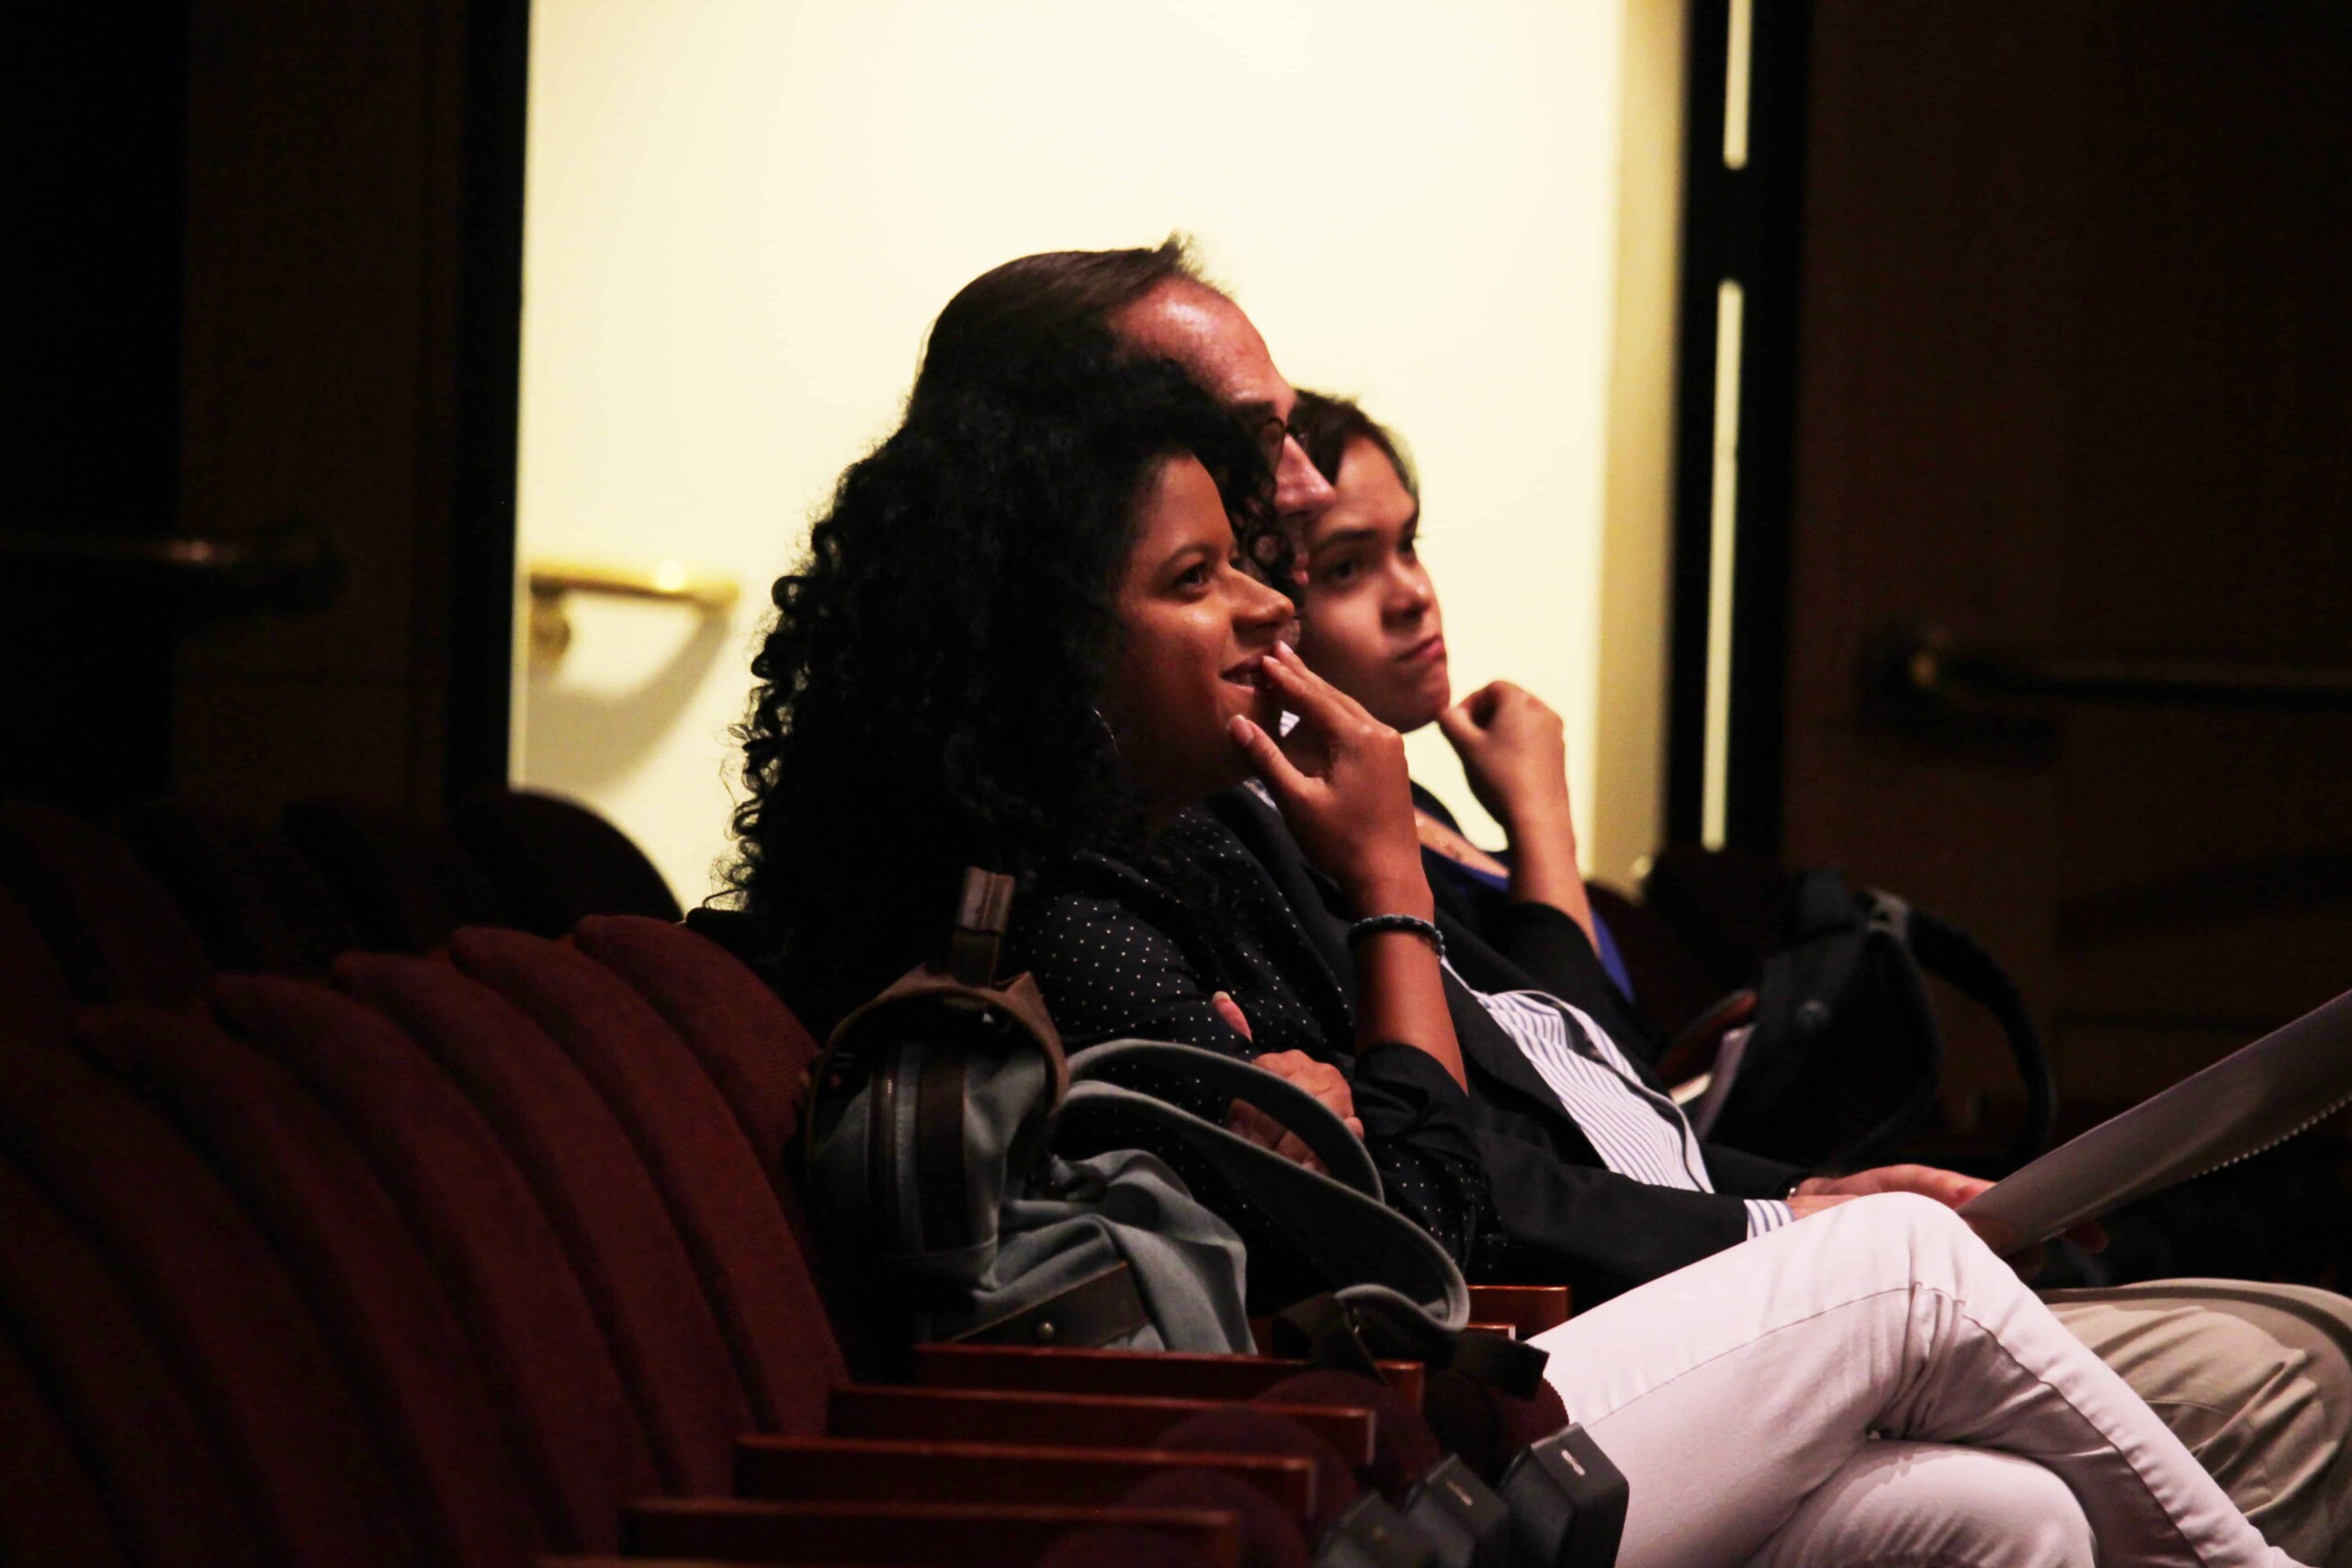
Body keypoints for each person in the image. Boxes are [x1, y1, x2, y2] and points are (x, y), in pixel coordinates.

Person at [847, 242, 2352, 1562]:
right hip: (1373, 1452)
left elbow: (1530, 1103)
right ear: (1052, 611)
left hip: (1450, 1398)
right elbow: (1434, 1221)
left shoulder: (1208, 825)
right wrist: (1388, 895)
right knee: (1925, 1271)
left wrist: (1450, 931)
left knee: (2008, 1515)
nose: (1275, 571)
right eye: (1205, 562)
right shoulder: (1083, 889)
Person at [1282, 389, 1637, 1001]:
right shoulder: (1316, 849)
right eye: (1346, 568)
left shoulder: (1409, 802)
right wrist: (1541, 817)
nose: (1414, 595)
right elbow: (1567, 1048)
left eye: (1407, 544)